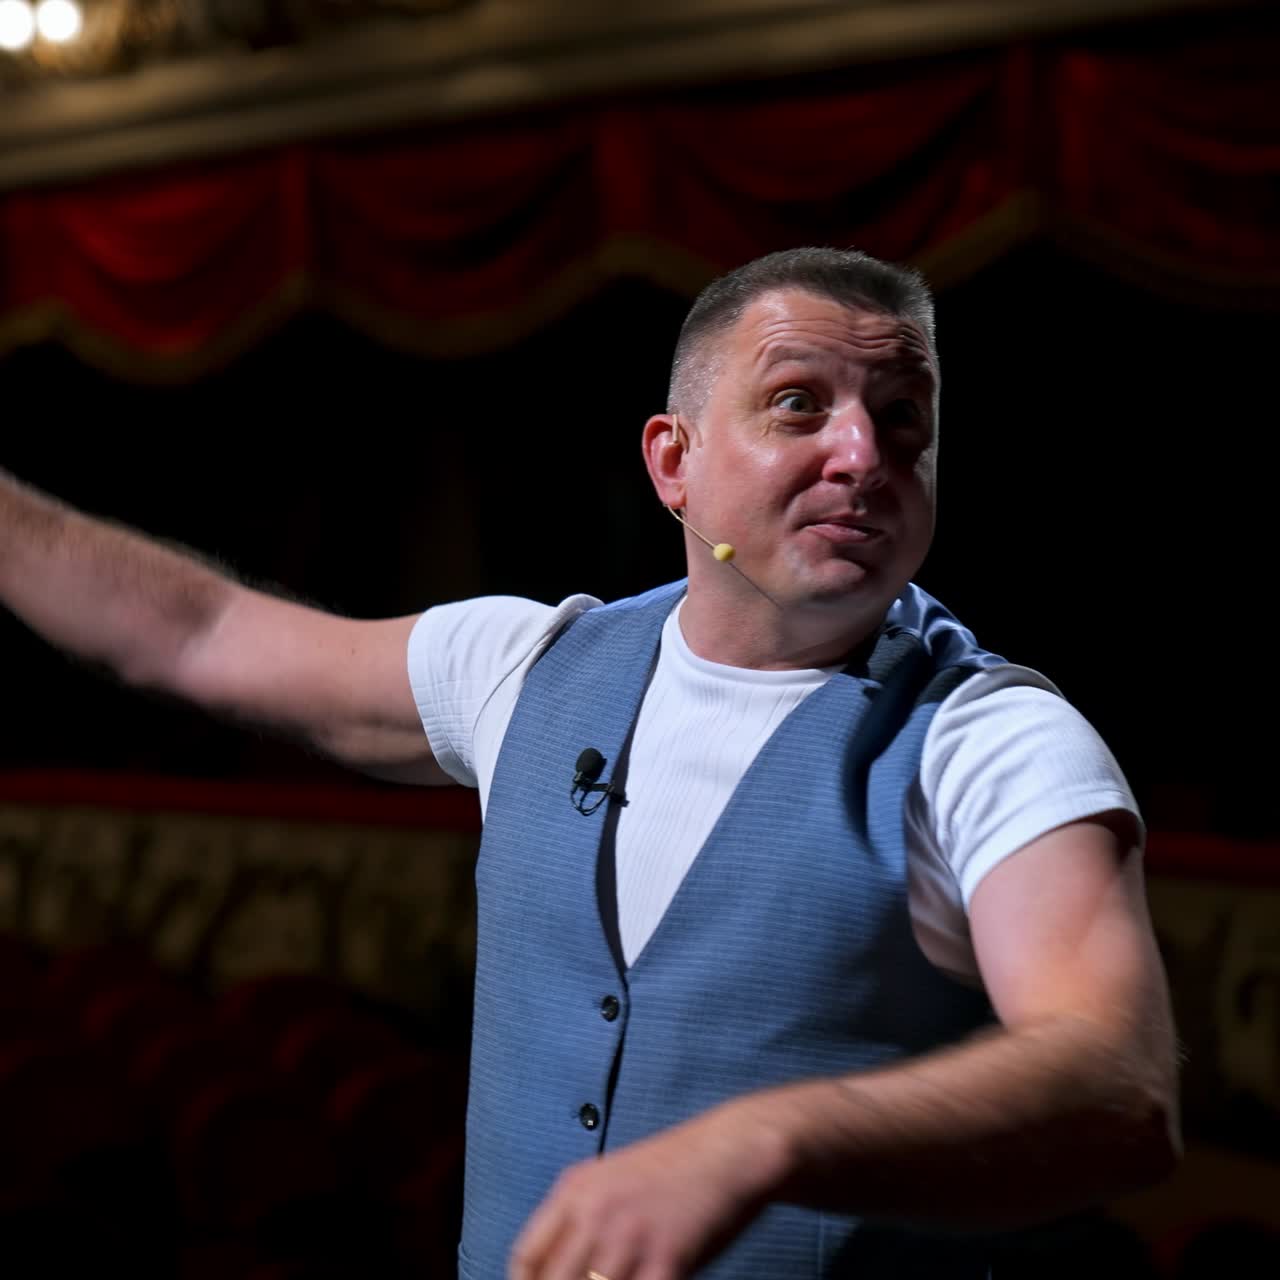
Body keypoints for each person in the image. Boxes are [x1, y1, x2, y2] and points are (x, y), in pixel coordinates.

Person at [0, 247, 1179, 1279]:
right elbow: (196, 630)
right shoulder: (526, 660)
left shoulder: (989, 736)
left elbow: (1118, 1085)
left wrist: (761, 1137)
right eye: (797, 404)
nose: (862, 452)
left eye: (902, 415)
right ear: (673, 461)